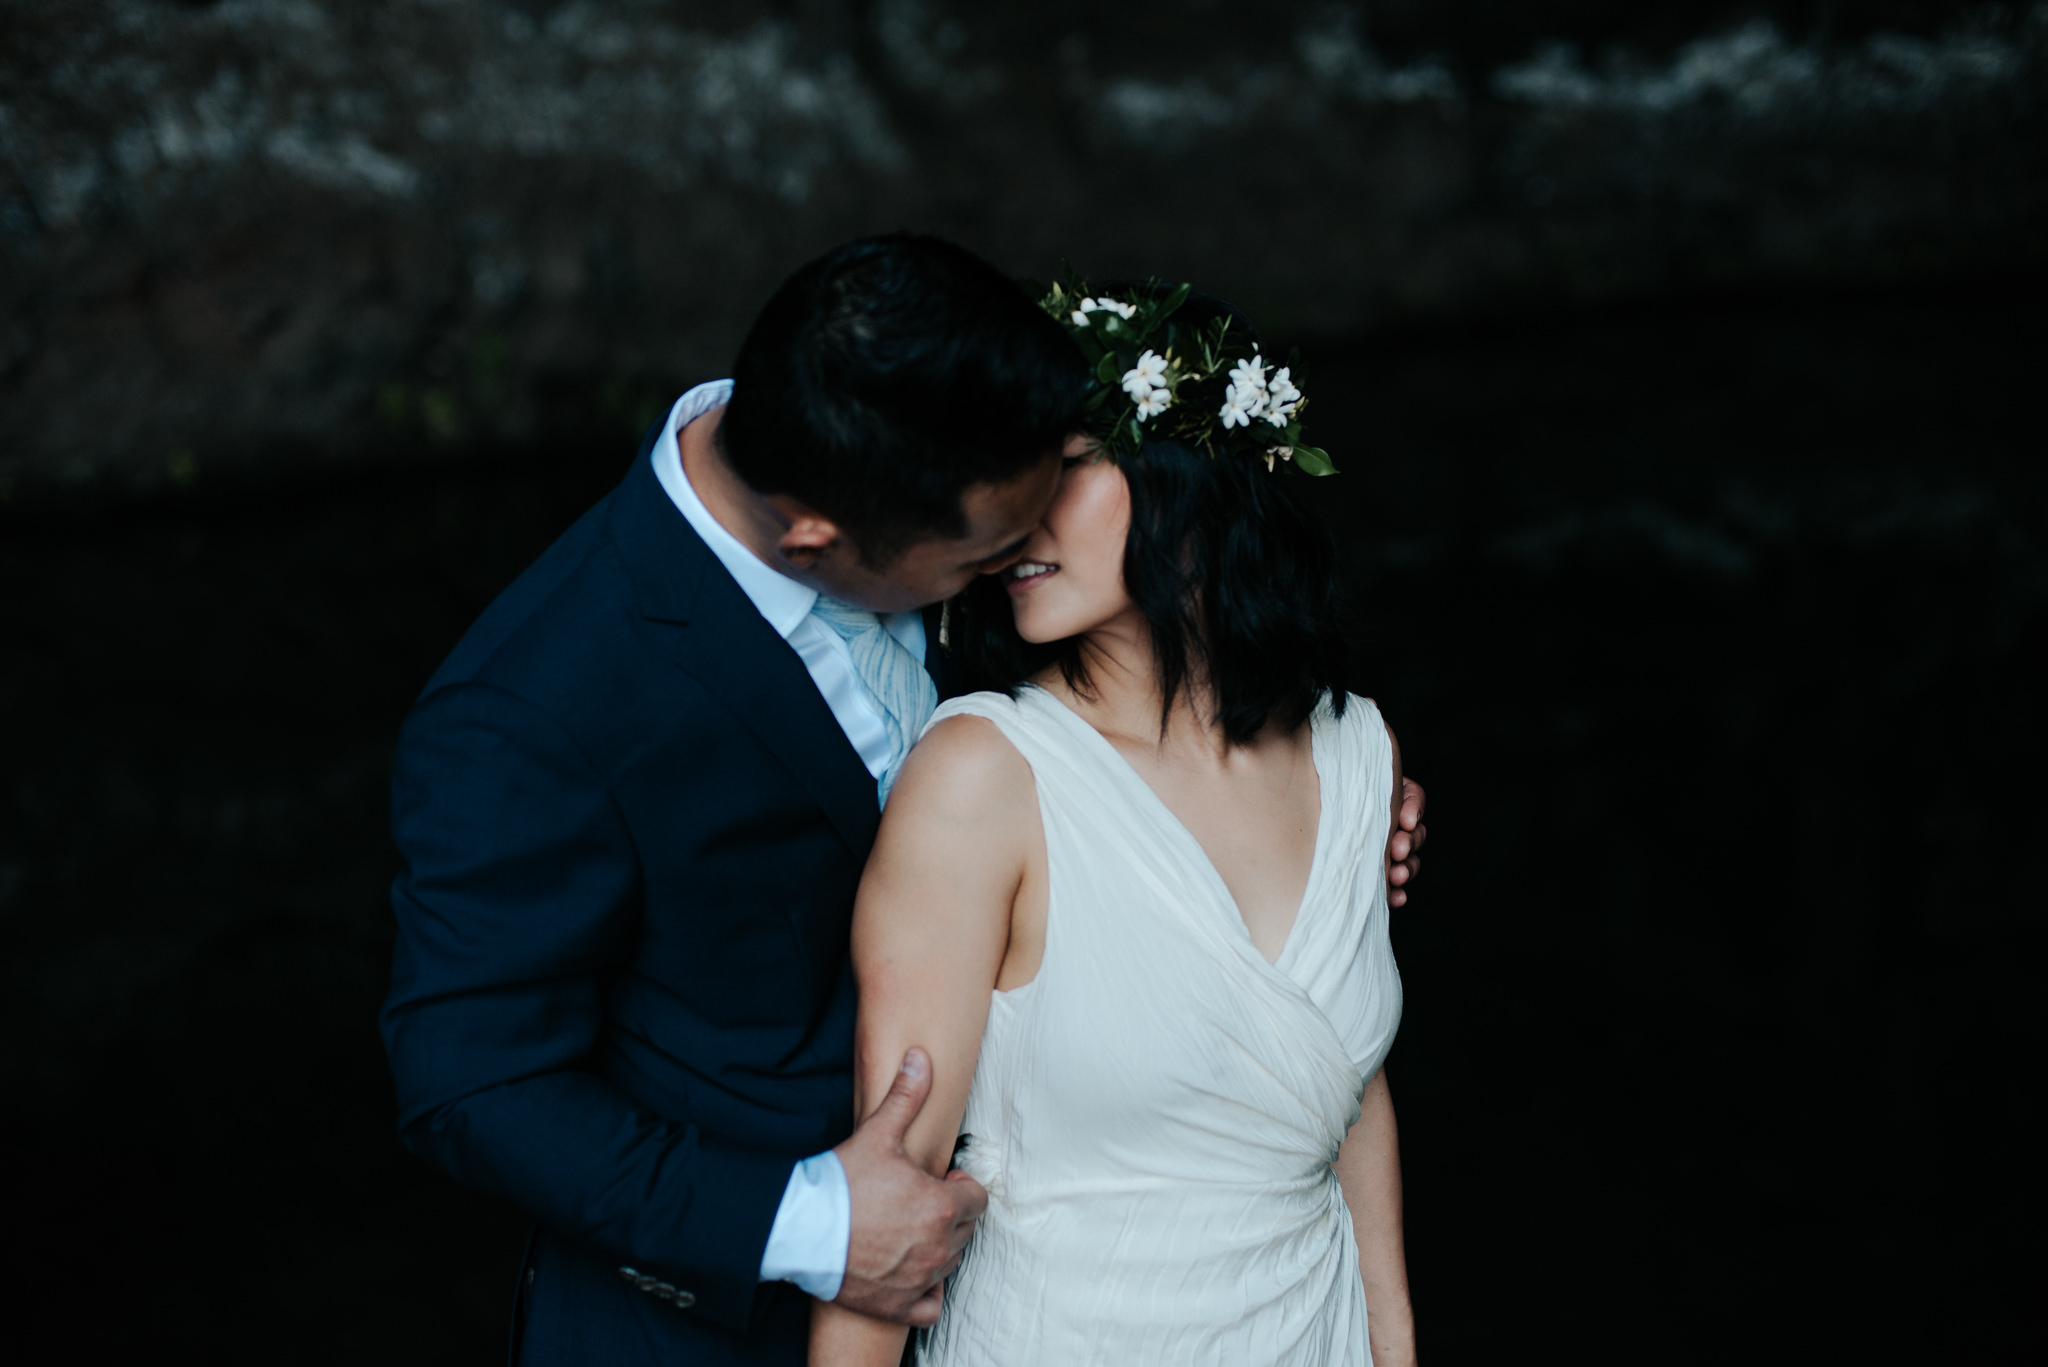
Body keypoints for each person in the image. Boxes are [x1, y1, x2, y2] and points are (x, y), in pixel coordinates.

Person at [381, 239, 1428, 1367]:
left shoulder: (911, 413)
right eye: (986, 545)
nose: (1020, 549)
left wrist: (1295, 834)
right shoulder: (533, 705)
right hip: (724, 1324)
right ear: (816, 541)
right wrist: (813, 1222)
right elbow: (472, 1081)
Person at [811, 284, 1414, 1366]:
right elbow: (883, 1208)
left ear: (1187, 475)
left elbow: (1342, 1089)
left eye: (1066, 464)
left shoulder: (1356, 749)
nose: (1011, 520)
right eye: (1003, 479)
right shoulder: (981, 779)